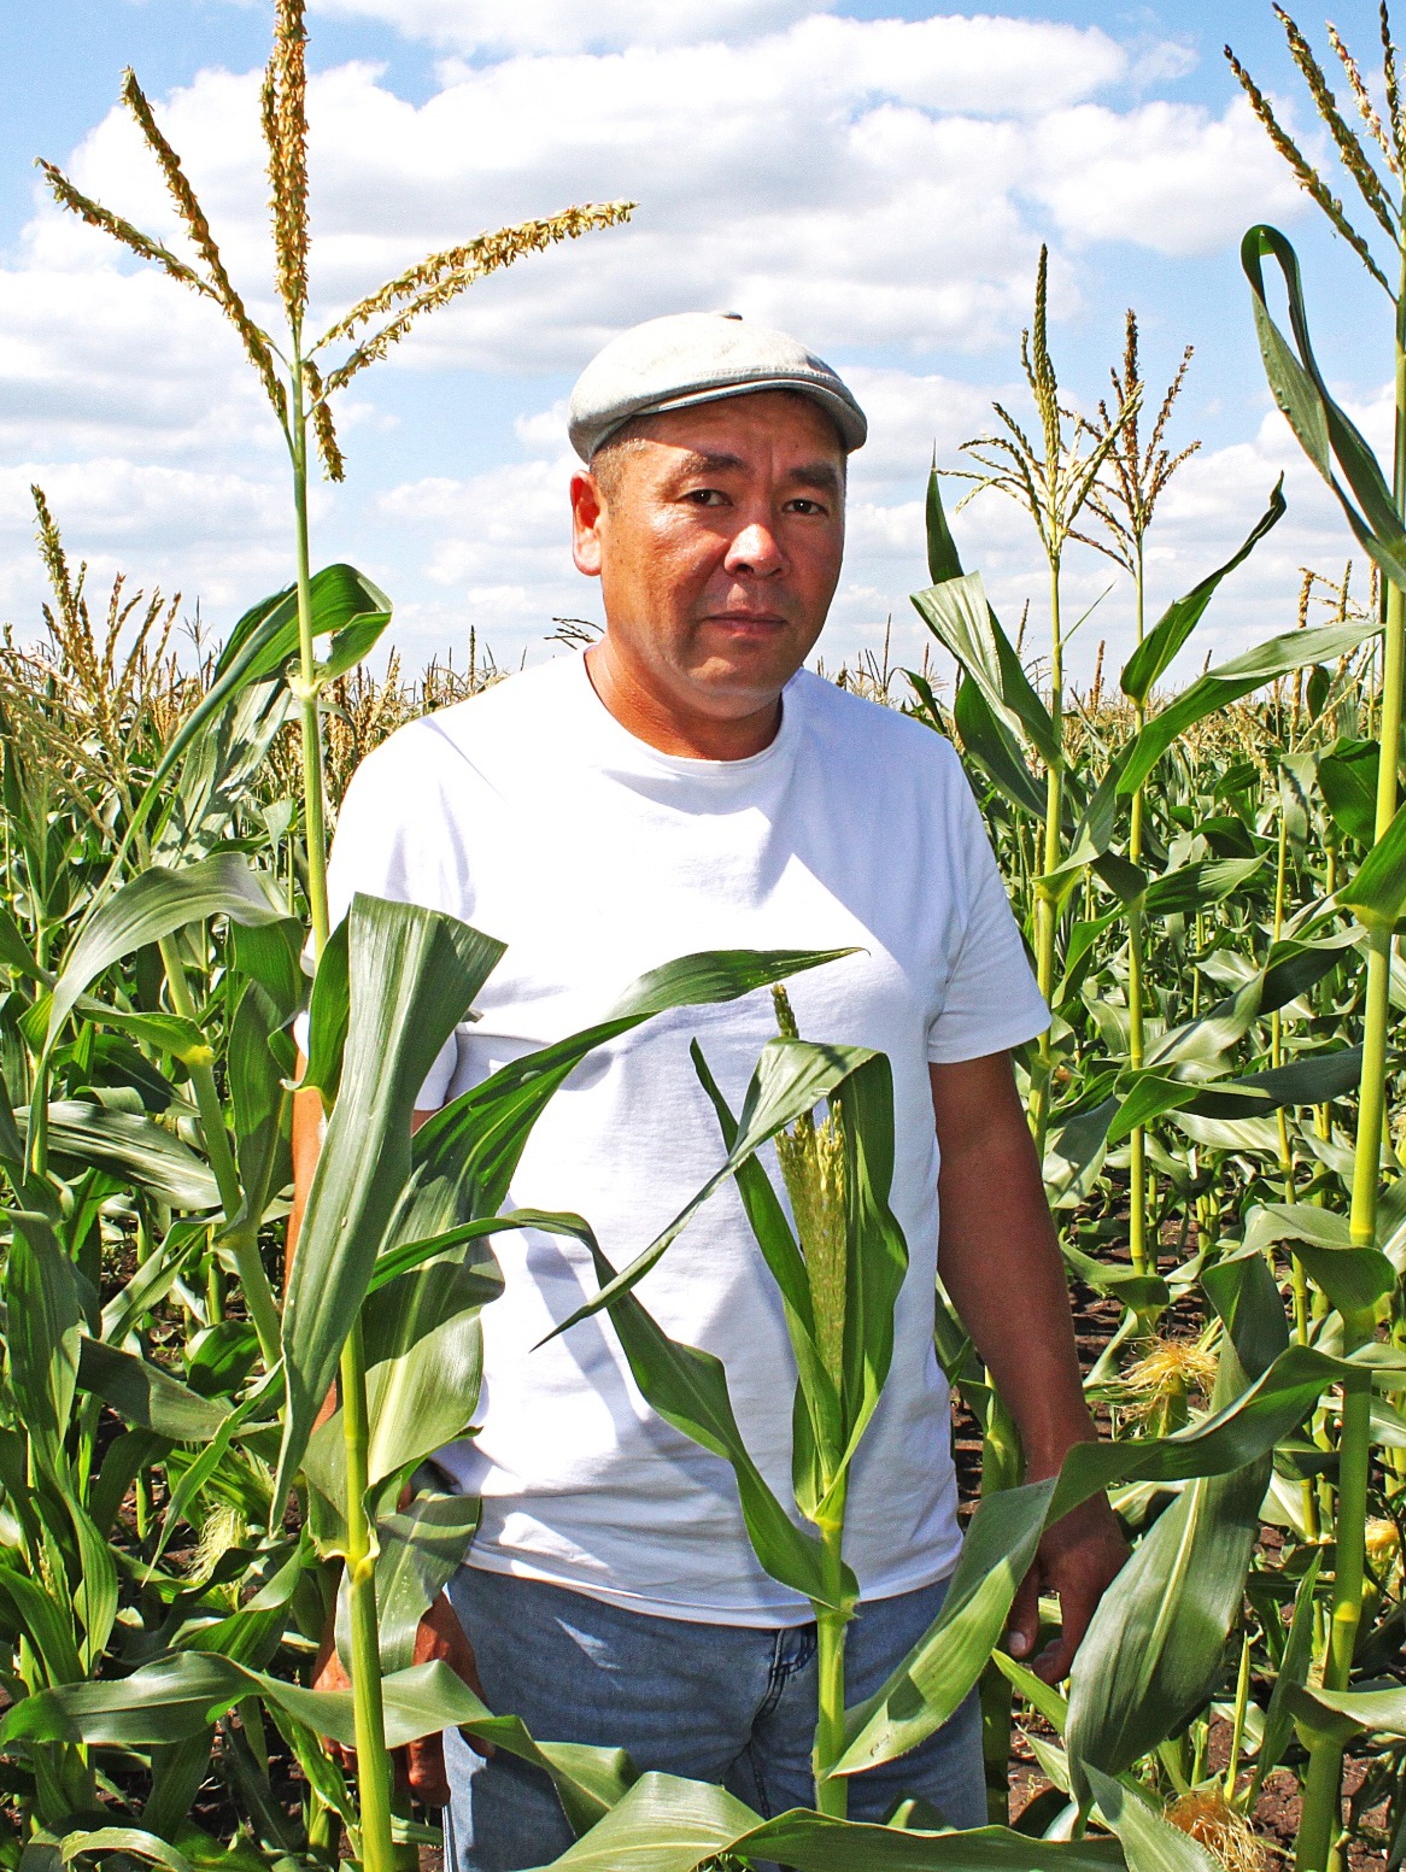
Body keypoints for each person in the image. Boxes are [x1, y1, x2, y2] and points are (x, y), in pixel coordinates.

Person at [295, 311, 1126, 1868]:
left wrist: (1061, 1464)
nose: (763, 545)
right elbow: (358, 1173)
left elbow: (976, 1139)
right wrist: (375, 1557)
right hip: (559, 1604)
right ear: (590, 518)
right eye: (709, 494)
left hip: (887, 1595)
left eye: (807, 501)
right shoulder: (446, 791)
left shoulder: (911, 783)